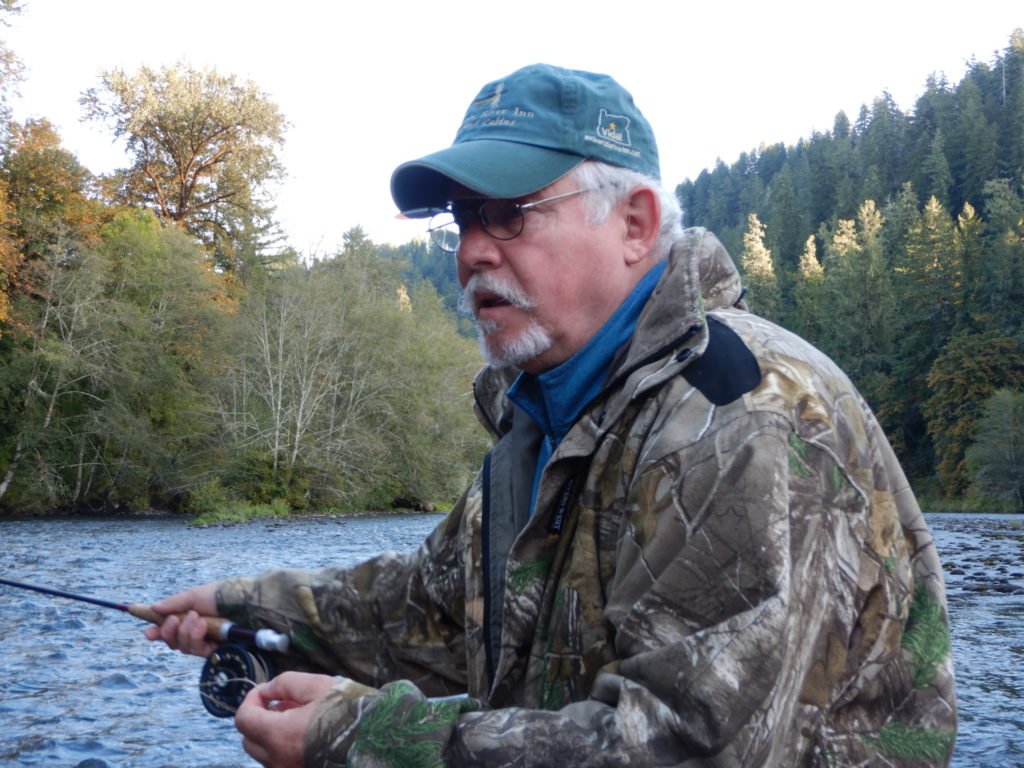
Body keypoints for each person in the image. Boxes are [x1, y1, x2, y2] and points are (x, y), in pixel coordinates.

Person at [147, 64, 957, 767]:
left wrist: (360, 737)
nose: (472, 250)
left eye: (509, 214)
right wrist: (244, 606)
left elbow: (686, 749)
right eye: (463, 219)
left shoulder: (744, 419)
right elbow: (431, 614)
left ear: (635, 223)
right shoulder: (541, 413)